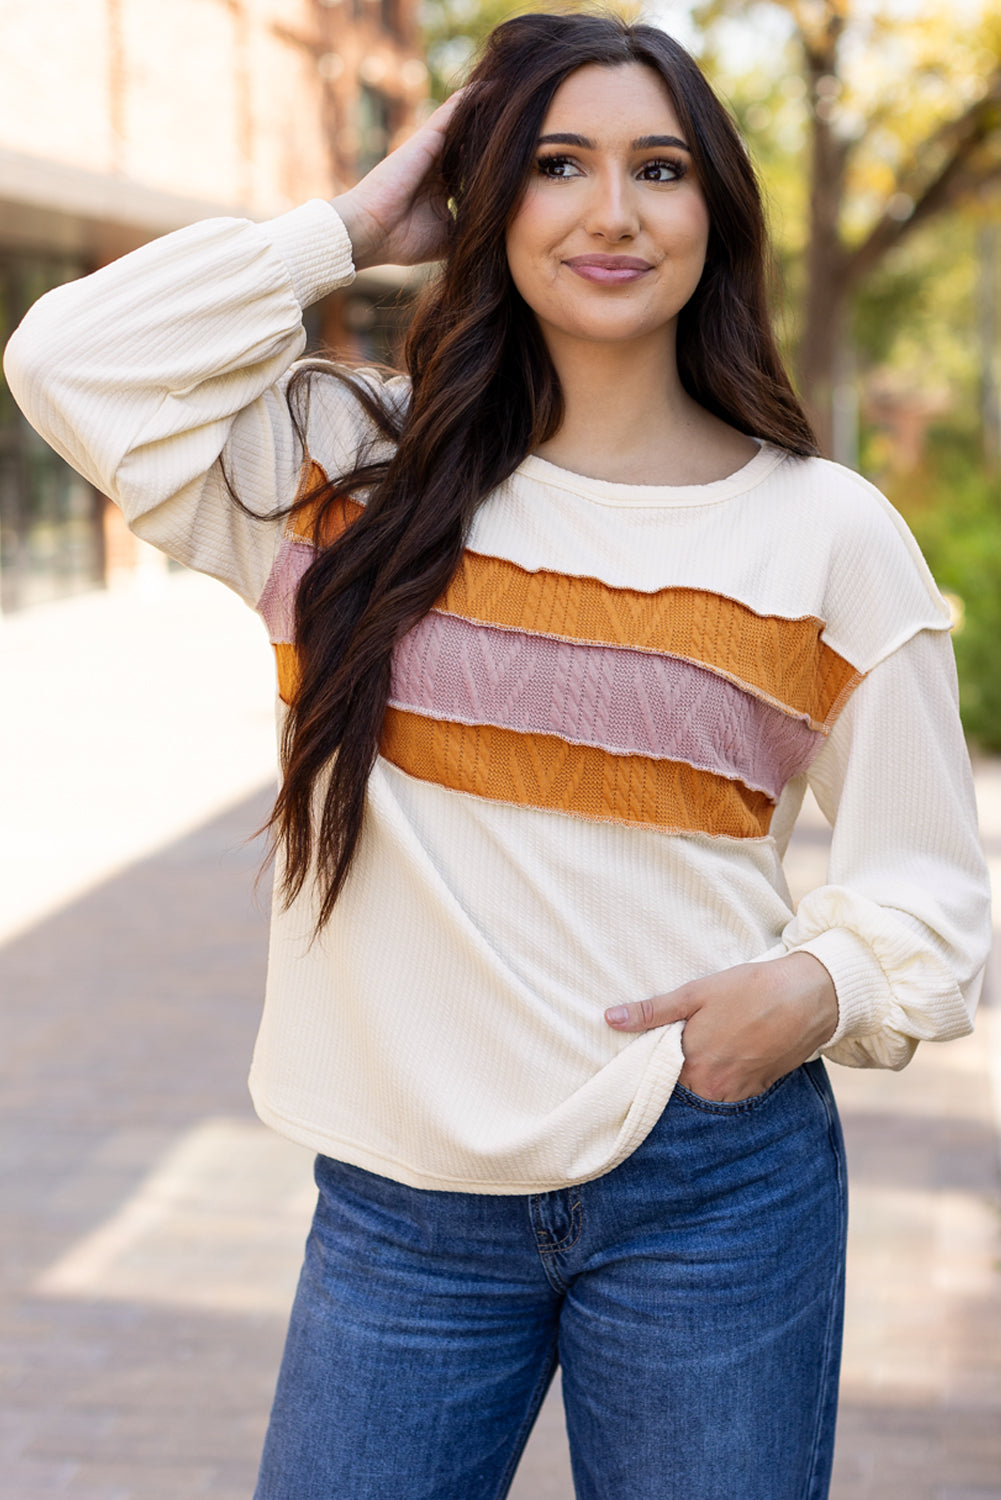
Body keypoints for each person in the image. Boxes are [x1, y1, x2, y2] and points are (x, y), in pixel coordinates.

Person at [3, 12, 991, 1499]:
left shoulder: (824, 531)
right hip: (402, 1212)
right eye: (552, 165)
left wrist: (816, 987)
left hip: (708, 1183)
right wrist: (353, 220)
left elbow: (933, 892)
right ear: (484, 199)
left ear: (714, 211)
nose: (610, 211)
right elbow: (70, 356)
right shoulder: (345, 485)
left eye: (657, 168)